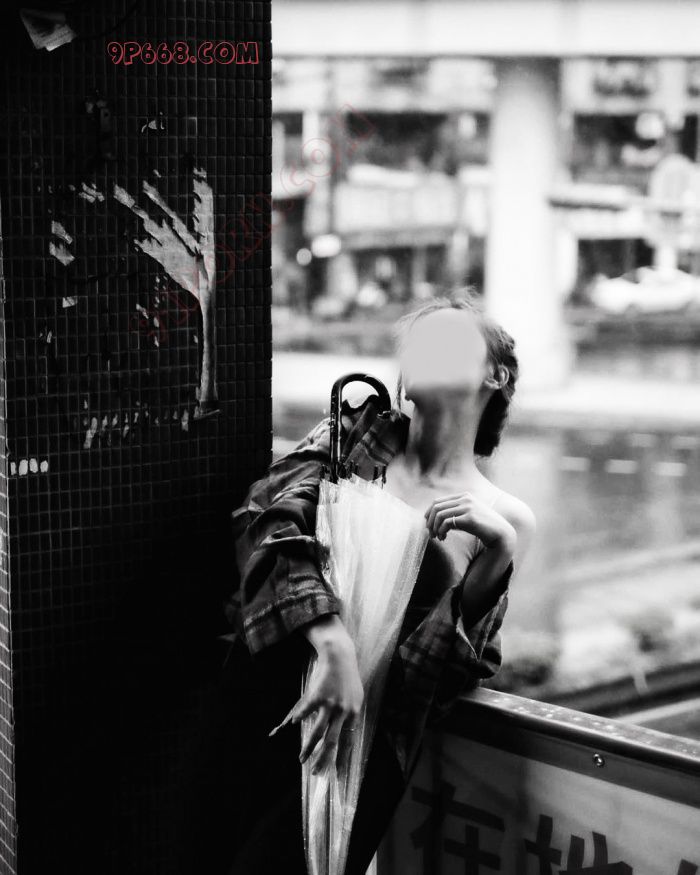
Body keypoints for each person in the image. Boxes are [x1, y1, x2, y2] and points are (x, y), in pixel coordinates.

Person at [180, 292, 535, 874]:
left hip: (355, 752)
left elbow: (442, 676)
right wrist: (333, 642)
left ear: (495, 375)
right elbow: (265, 521)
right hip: (259, 697)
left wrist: (499, 556)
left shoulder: (504, 519)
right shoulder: (346, 439)